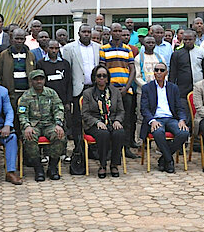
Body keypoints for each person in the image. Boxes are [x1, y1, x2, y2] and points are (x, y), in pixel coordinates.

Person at [140, 61, 189, 173]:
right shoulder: (147, 88)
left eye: (161, 70)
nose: (159, 72)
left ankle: (163, 159)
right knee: (158, 132)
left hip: (171, 119)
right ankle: (169, 161)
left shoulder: (173, 88)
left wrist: (182, 120)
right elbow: (144, 109)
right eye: (156, 70)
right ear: (154, 73)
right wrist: (152, 121)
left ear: (166, 73)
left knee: (184, 133)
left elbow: (180, 107)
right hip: (156, 119)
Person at [99, 23, 138, 158]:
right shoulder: (104, 49)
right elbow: (102, 70)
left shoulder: (127, 49)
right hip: (110, 90)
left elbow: (132, 70)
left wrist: (126, 87)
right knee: (110, 119)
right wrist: (110, 88)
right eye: (114, 30)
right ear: (110, 32)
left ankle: (126, 148)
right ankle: (112, 149)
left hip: (126, 90)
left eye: (119, 31)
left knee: (127, 120)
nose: (117, 33)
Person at [18, 69, 65, 181]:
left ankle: (52, 167)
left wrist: (58, 124)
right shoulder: (26, 96)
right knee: (29, 138)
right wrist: (27, 126)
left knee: (59, 136)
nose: (39, 81)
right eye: (36, 79)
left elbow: (59, 109)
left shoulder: (51, 93)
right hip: (33, 125)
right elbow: (22, 113)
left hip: (49, 124)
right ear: (31, 81)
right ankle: (38, 168)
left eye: (41, 79)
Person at [81, 65, 127, 178]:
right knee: (103, 134)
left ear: (107, 78)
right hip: (94, 124)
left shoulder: (115, 92)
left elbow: (121, 111)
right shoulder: (88, 93)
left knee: (119, 133)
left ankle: (114, 164)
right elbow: (85, 114)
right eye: (99, 76)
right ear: (94, 78)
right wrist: (97, 122)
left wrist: (118, 120)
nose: (101, 78)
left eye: (104, 76)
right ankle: (102, 165)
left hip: (112, 121)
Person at [62, 24, 100, 153]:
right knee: (78, 120)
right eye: (84, 31)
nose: (86, 34)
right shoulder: (69, 48)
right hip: (78, 89)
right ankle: (79, 149)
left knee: (94, 117)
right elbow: (67, 73)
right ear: (78, 33)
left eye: (88, 31)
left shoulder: (98, 47)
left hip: (94, 88)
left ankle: (93, 149)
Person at [0, 28, 37, 130]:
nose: (19, 41)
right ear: (12, 39)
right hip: (11, 94)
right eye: (17, 38)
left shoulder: (30, 55)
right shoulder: (4, 55)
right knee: (12, 119)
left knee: (26, 119)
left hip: (27, 94)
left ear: (24, 40)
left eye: (21, 39)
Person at [38, 40, 73, 156]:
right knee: (47, 126)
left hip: (62, 100)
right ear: (47, 48)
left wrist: (68, 101)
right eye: (51, 48)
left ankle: (63, 152)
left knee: (62, 126)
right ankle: (45, 153)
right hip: (45, 101)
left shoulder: (65, 64)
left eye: (56, 48)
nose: (54, 51)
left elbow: (69, 83)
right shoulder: (41, 63)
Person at [169, 29, 204, 99]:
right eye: (185, 40)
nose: (187, 42)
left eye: (190, 39)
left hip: (199, 86)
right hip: (182, 88)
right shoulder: (177, 53)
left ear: (194, 39)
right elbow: (172, 73)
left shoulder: (201, 52)